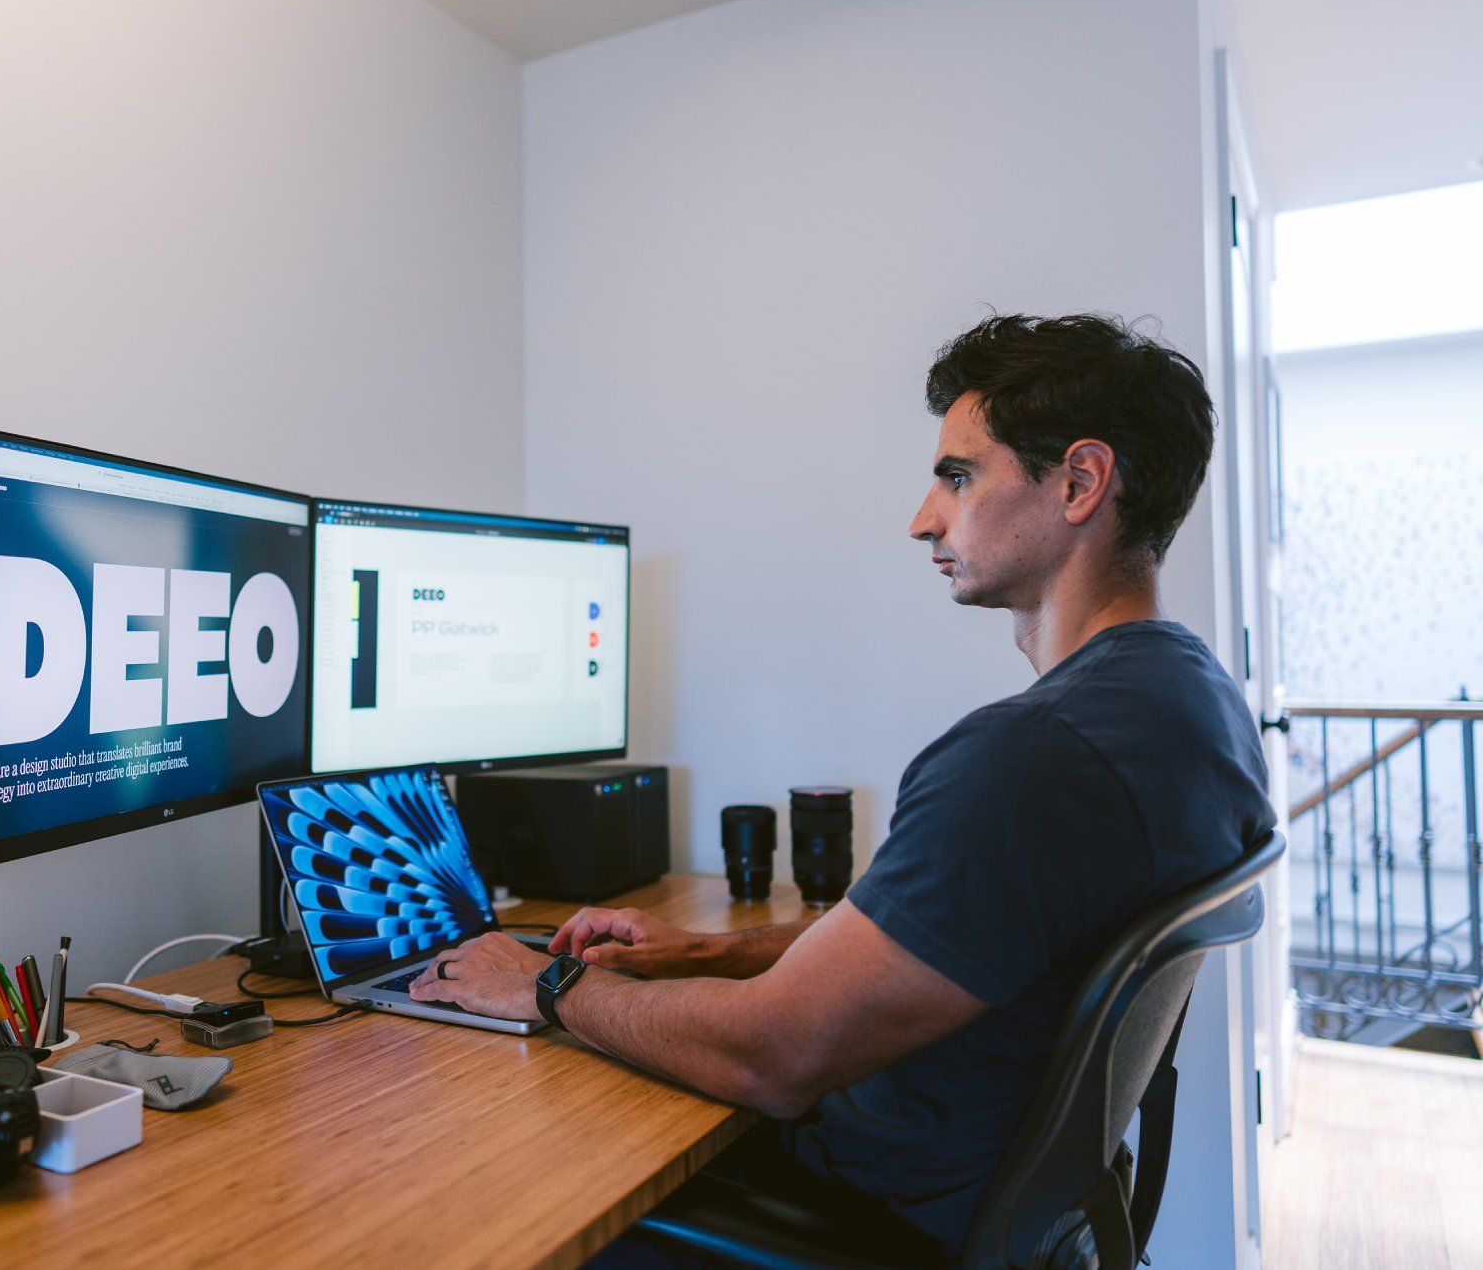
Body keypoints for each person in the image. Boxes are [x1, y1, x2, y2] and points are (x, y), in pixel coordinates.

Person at [408, 312, 1275, 1261]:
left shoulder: (1031, 756)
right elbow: (938, 941)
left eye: (958, 474)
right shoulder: (1188, 701)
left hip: (861, 1224)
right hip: (1003, 1213)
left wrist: (545, 982)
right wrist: (700, 953)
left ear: (1079, 482)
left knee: (481, 1190)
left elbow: (770, 1056)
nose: (923, 518)